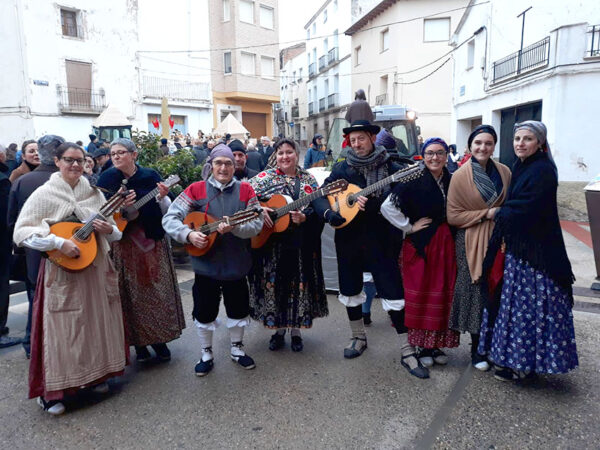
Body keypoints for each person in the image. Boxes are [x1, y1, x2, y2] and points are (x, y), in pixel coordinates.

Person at [13, 142, 127, 415]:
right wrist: (58, 243)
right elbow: (21, 232)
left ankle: (95, 379)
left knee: (96, 325)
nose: (75, 165)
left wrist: (107, 228)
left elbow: (117, 234)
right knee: (65, 330)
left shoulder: (94, 193)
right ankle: (54, 393)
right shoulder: (45, 193)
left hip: (96, 266)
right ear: (57, 161)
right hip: (62, 270)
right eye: (69, 160)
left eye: (80, 160)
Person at [312, 120, 425, 377]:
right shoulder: (342, 168)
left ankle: (407, 349)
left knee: (393, 293)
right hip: (349, 240)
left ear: (372, 138)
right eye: (352, 140)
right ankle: (358, 337)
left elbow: (404, 199)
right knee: (350, 289)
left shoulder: (392, 167)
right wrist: (330, 214)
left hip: (382, 240)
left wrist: (376, 204)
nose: (356, 144)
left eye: (361, 138)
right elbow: (321, 194)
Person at [478, 121, 578, 381]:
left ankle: (524, 364)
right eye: (517, 138)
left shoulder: (542, 170)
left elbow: (527, 207)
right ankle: (518, 361)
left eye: (528, 139)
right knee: (516, 308)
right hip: (521, 249)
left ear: (540, 143)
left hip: (535, 254)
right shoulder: (523, 166)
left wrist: (499, 212)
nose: (520, 143)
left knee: (528, 310)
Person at [162, 144, 264, 377]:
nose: (224, 167)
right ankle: (206, 352)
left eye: (228, 163)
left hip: (236, 264)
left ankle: (237, 349)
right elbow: (170, 218)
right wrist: (188, 234)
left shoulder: (246, 190)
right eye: (219, 162)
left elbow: (257, 224)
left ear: (234, 166)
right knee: (204, 310)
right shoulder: (195, 189)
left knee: (238, 309)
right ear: (211, 165)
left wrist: (235, 228)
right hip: (205, 265)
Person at [96, 138, 186, 362]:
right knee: (126, 295)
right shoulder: (106, 179)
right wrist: (119, 208)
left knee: (155, 292)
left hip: (150, 242)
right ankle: (138, 346)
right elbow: (99, 211)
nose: (116, 157)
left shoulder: (150, 176)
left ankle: (159, 340)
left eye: (121, 152)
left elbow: (167, 209)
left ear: (134, 155)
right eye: (113, 153)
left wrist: (164, 197)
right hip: (121, 245)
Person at [381, 137, 459, 371]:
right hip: (421, 245)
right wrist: (408, 226)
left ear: (447, 156)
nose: (434, 158)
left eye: (439, 153)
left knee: (442, 293)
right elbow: (387, 206)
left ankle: (436, 346)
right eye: (430, 153)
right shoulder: (413, 177)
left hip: (446, 244)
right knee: (422, 294)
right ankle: (422, 346)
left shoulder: (452, 179)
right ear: (423, 157)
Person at [248, 138, 328, 352]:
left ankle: (296, 331)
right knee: (277, 288)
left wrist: (306, 218)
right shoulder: (264, 177)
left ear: (297, 154)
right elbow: (245, 197)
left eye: (289, 152)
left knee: (298, 288)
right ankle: (278, 330)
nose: (285, 157)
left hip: (300, 245)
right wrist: (259, 209)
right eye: (280, 153)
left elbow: (318, 208)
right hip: (273, 246)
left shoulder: (309, 179)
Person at [446, 126, 511, 371]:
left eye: (488, 143)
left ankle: (495, 345)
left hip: (499, 239)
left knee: (498, 292)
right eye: (478, 143)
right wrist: (487, 213)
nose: (483, 148)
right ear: (470, 147)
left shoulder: (504, 172)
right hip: (471, 240)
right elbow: (453, 216)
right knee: (476, 293)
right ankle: (477, 349)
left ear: (494, 146)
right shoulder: (460, 176)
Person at [7, 135, 65, 358]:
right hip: (70, 252)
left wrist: (22, 247)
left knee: (35, 301)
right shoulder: (72, 180)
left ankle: (32, 346)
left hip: (34, 255)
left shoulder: (23, 181)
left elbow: (12, 223)